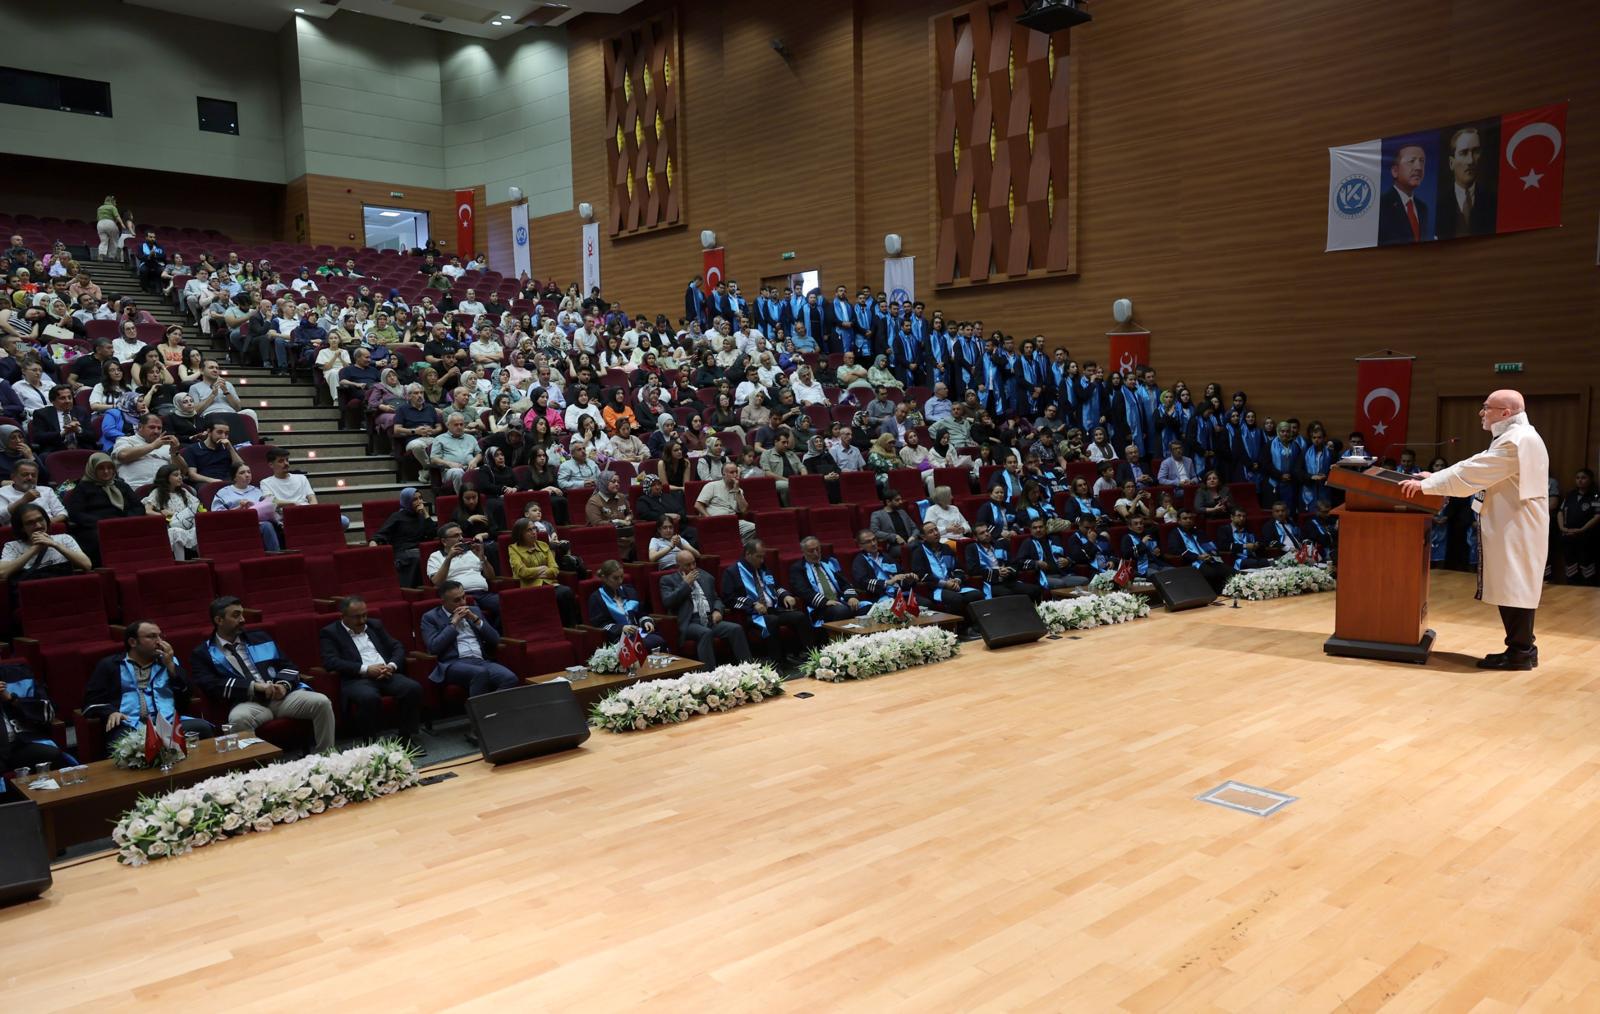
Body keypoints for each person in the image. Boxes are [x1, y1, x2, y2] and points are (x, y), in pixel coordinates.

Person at [1402, 389, 1549, 669]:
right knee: (1514, 585)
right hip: (1515, 522)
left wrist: (1427, 485)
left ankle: (1520, 652)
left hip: (1515, 525)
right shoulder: (1517, 436)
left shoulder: (1515, 441)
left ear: (1505, 413)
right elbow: (1475, 462)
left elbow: (1474, 472)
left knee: (1514, 586)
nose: (1482, 413)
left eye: (1487, 407)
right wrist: (1436, 476)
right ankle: (1523, 649)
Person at [189, 596, 336, 754]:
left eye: (242, 614)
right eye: (236, 615)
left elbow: (289, 666)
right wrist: (253, 687)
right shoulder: (203, 653)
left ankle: (326, 757)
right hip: (247, 702)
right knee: (238, 719)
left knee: (321, 702)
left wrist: (283, 685)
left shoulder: (260, 638)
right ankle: (257, 766)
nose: (243, 619)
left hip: (281, 698)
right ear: (219, 620)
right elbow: (211, 685)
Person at [83, 620, 215, 747]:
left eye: (160, 636)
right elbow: (91, 703)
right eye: (152, 637)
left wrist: (170, 666)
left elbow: (187, 693)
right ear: (133, 642)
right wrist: (111, 712)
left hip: (168, 722)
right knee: (122, 743)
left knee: (202, 728)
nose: (159, 641)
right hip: (130, 726)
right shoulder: (110, 665)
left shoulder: (168, 661)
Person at [318, 595, 423, 745]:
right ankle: (371, 744)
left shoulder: (374, 625)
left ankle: (406, 738)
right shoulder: (330, 632)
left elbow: (397, 646)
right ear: (343, 616)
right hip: (357, 679)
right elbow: (331, 661)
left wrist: (391, 665)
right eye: (357, 617)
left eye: (365, 615)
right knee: (369, 698)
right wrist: (366, 669)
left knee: (412, 688)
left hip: (386, 673)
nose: (362, 620)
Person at [420, 581, 519, 697]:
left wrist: (476, 620)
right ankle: (481, 709)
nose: (463, 602)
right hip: (453, 663)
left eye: (463, 597)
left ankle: (488, 707)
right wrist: (453, 623)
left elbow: (495, 639)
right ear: (443, 602)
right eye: (457, 600)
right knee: (480, 673)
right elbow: (434, 647)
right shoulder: (430, 618)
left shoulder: (474, 611)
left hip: (480, 661)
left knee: (510, 678)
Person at [720, 540, 810, 662]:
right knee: (772, 620)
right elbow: (729, 599)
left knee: (799, 617)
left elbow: (775, 587)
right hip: (752, 614)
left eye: (763, 557)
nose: (762, 560)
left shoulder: (763, 568)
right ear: (748, 554)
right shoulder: (732, 572)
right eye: (758, 557)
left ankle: (807, 655)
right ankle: (776, 662)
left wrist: (785, 595)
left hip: (773, 609)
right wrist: (752, 604)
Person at [660, 549, 753, 667]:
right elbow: (668, 602)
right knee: (705, 633)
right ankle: (709, 674)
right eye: (688, 565)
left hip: (710, 619)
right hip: (689, 622)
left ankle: (748, 668)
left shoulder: (706, 576)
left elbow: (717, 599)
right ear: (678, 566)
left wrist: (717, 610)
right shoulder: (668, 580)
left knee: (736, 629)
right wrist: (686, 584)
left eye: (694, 563)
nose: (693, 567)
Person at [65, 453, 143, 564]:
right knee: (99, 537)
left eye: (109, 468)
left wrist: (127, 520)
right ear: (92, 469)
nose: (106, 471)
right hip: (96, 527)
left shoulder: (122, 486)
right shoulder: (82, 488)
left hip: (124, 523)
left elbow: (138, 507)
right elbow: (76, 513)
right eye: (101, 468)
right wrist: (103, 523)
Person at [425, 522, 502, 629]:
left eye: (461, 535)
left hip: (483, 594)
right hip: (460, 597)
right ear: (444, 541)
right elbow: (437, 582)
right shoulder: (435, 556)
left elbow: (491, 577)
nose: (461, 538)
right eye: (456, 536)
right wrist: (449, 558)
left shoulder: (472, 552)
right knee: (477, 615)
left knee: (508, 605)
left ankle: (497, 634)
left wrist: (482, 558)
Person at [507, 518, 579, 625]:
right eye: (529, 530)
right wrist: (541, 569)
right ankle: (567, 626)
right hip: (530, 588)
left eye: (534, 529)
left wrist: (542, 572)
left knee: (567, 592)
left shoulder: (543, 545)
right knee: (563, 593)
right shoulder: (514, 549)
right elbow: (522, 572)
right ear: (520, 533)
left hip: (550, 584)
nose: (534, 532)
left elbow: (555, 569)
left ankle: (571, 627)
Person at [0, 660, 68, 772]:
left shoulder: (19, 675)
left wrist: (12, 699)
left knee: (52, 754)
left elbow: (49, 712)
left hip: (18, 744)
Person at [587, 559, 666, 652]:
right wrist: (622, 628)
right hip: (617, 637)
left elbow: (641, 613)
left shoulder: (629, 591)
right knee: (645, 644)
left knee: (659, 640)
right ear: (604, 578)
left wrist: (646, 621)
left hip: (637, 632)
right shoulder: (597, 598)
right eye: (615, 578)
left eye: (621, 576)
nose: (620, 581)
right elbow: (600, 625)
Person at [1, 502, 92, 581]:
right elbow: (3, 573)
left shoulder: (64, 539)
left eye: (40, 520)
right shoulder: (12, 546)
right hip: (32, 592)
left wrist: (55, 544)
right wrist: (34, 549)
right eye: (30, 523)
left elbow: (87, 565)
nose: (38, 526)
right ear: (22, 528)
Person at [1435, 125, 1496, 240]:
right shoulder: (1437, 207)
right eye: (1463, 153)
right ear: (1451, 163)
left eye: (1476, 152)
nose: (1471, 160)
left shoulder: (1493, 203)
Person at [910, 524, 985, 617]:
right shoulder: (919, 552)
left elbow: (958, 568)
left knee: (977, 594)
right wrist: (945, 584)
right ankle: (958, 625)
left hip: (953, 585)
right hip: (934, 588)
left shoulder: (946, 548)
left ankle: (977, 624)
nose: (936, 533)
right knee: (955, 598)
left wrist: (957, 579)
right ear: (923, 537)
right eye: (931, 532)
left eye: (936, 529)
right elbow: (922, 575)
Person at [789, 535, 867, 623]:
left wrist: (851, 597)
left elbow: (844, 582)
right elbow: (803, 591)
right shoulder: (798, 568)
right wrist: (825, 601)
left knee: (868, 608)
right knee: (841, 610)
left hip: (840, 601)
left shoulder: (829, 562)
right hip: (820, 608)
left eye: (817, 549)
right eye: (811, 551)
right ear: (803, 552)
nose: (816, 554)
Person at [211, 463, 282, 550]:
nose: (247, 475)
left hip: (255, 523)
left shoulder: (257, 491)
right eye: (242, 473)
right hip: (233, 525)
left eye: (249, 472)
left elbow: (267, 510)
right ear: (234, 477)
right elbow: (217, 516)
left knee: (267, 525)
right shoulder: (223, 492)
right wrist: (239, 508)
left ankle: (276, 554)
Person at [371, 486, 432, 586]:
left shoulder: (422, 517)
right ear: (407, 501)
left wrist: (426, 514)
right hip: (403, 552)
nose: (420, 502)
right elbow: (381, 534)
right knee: (418, 558)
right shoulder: (397, 517)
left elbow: (432, 533)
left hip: (419, 549)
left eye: (420, 498)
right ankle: (414, 588)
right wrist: (374, 543)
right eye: (415, 499)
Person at [964, 522, 1040, 601]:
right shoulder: (972, 548)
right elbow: (973, 570)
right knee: (1008, 595)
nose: (986, 534)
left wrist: (1008, 570)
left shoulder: (999, 544)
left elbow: (1014, 563)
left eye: (987, 531)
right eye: (982, 533)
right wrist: (997, 572)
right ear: (975, 537)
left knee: (1035, 590)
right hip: (990, 583)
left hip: (1007, 580)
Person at [141, 464, 201, 559]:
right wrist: (163, 515)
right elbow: (148, 511)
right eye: (176, 475)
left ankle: (201, 559)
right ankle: (180, 561)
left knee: (198, 529)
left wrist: (173, 514)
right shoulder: (157, 492)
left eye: (180, 475)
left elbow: (197, 507)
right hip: (170, 525)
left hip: (186, 523)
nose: (180, 477)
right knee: (176, 531)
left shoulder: (184, 491)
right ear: (166, 478)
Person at [1166, 509, 1231, 593]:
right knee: (1212, 573)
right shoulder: (1174, 534)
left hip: (1209, 560)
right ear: (1179, 520)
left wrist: (1210, 554)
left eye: (1190, 518)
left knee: (1231, 571)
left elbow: (1211, 546)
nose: (1188, 520)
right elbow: (1175, 550)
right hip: (1192, 562)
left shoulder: (1199, 532)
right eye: (1185, 518)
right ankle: (1217, 594)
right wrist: (1197, 557)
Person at [1015, 516, 1088, 591]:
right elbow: (1019, 562)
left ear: (1046, 528)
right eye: (1035, 528)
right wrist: (1036, 563)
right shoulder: (1028, 543)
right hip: (1044, 577)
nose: (1038, 530)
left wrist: (1067, 561)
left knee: (1084, 580)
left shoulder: (1054, 539)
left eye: (1041, 527)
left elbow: (1070, 555)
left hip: (1062, 574)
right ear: (1030, 530)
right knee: (1060, 583)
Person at [1379, 143, 1430, 244]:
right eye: (1412, 161)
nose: (1419, 167)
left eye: (1422, 161)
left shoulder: (1422, 208)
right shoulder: (1381, 205)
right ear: (1395, 171)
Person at [1556, 469, 1599, 585]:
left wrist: (1582, 530)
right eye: (1578, 478)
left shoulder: (1595, 496)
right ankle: (1571, 587)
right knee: (1570, 564)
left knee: (1587, 564)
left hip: (1586, 537)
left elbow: (1597, 516)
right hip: (1568, 535)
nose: (1580, 480)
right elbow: (1560, 512)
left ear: (1590, 479)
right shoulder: (1570, 495)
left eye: (1583, 478)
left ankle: (1588, 589)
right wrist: (1562, 528)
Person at [696, 460, 756, 542]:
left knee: (753, 527)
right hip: (715, 521)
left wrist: (737, 491)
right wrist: (709, 519)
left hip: (732, 521)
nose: (735, 475)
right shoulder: (712, 485)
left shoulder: (739, 490)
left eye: (736, 472)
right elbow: (698, 505)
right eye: (732, 472)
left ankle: (738, 546)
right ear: (723, 474)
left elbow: (744, 511)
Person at [114, 412, 179, 487]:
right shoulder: (126, 440)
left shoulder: (166, 446)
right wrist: (153, 446)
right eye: (152, 427)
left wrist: (174, 452)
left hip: (163, 488)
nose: (156, 431)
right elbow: (123, 456)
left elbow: (182, 472)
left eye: (159, 428)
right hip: (135, 487)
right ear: (140, 427)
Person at [0, 460, 66, 525]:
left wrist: (45, 524)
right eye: (25, 475)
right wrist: (23, 500)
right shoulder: (2, 492)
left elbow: (62, 513)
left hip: (49, 527)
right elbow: (1, 517)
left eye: (34, 475)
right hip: (18, 530)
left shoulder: (47, 490)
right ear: (13, 477)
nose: (30, 478)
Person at [1120, 514, 1166, 579]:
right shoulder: (1127, 538)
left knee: (1173, 571)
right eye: (1136, 524)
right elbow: (1126, 555)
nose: (1139, 526)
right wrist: (1142, 544)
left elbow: (1157, 528)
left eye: (1141, 523)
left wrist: (1156, 551)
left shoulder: (1147, 534)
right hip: (1140, 567)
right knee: (1160, 576)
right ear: (1130, 527)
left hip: (1156, 563)